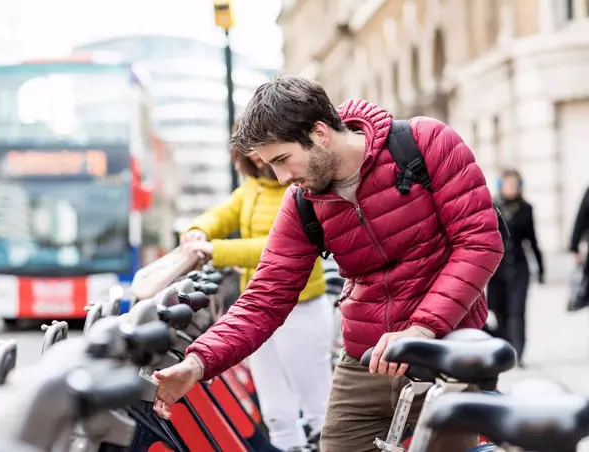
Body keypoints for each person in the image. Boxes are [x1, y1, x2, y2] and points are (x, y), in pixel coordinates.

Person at [152, 75, 504, 452]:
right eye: (271, 166)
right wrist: (198, 362)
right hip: (364, 360)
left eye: (283, 160)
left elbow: (479, 242)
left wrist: (421, 329)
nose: (282, 177)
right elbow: (265, 297)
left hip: (441, 351)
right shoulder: (302, 200)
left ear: (319, 133)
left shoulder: (425, 142)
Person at [179, 145, 332, 451]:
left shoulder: (300, 188)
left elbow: (282, 245)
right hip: (260, 309)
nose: (257, 157)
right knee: (276, 412)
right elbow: (223, 214)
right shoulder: (252, 188)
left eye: (261, 149)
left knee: (320, 408)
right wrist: (198, 230)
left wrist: (217, 251)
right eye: (248, 151)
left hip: (300, 307)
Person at [486, 169, 543, 366]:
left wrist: (541, 267)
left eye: (515, 184)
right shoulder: (491, 206)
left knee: (517, 311)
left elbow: (532, 240)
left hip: (519, 268)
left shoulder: (526, 208)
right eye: (507, 184)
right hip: (497, 270)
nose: (511, 188)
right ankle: (504, 350)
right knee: (499, 311)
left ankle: (519, 353)